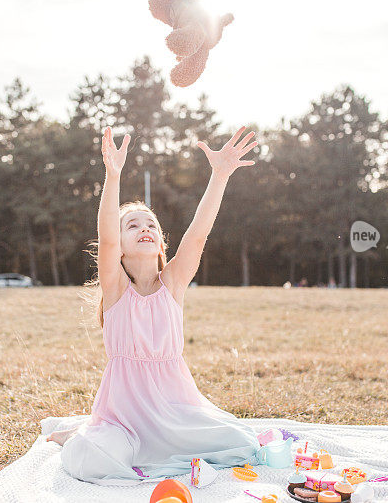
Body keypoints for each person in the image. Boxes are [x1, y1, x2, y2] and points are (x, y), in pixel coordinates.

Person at [45, 125, 262, 485]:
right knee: (90, 459)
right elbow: (106, 239)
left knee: (239, 444)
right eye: (132, 225)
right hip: (124, 419)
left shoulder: (173, 283)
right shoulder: (115, 288)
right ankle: (80, 435)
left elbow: (197, 233)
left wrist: (220, 175)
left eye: (151, 224)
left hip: (174, 411)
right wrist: (112, 176)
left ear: (161, 242)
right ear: (122, 244)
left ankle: (85, 431)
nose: (144, 228)